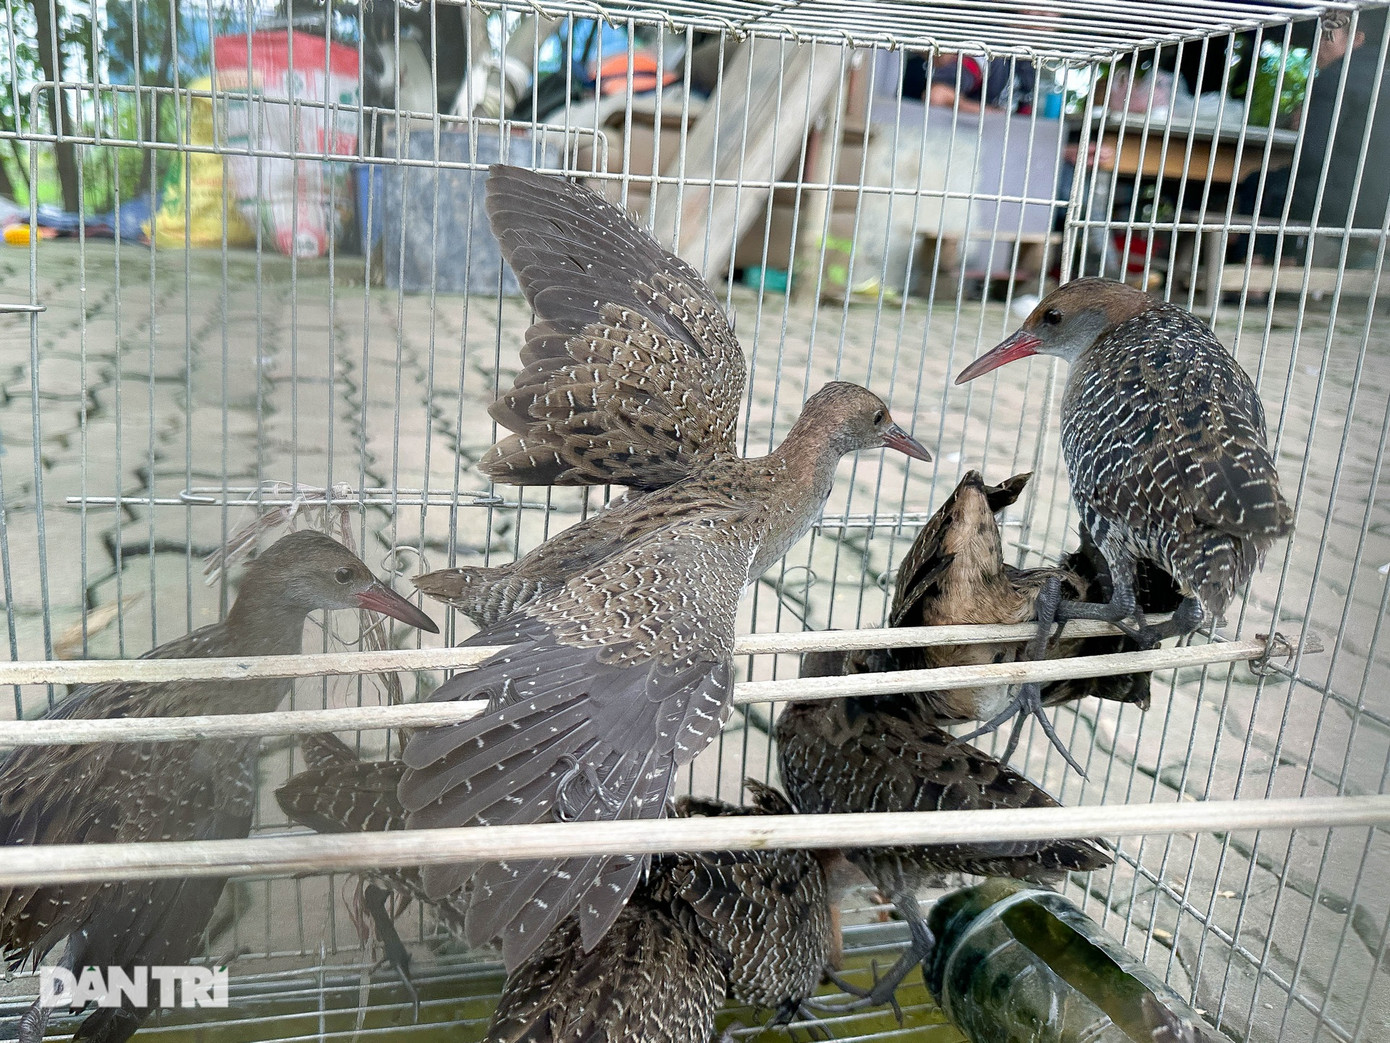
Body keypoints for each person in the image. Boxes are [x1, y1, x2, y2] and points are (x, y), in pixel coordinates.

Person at [1235, 8, 1390, 266]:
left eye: (1327, 37)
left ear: (1357, 39)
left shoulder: (1336, 77)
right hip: (1382, 206)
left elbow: (1313, 155)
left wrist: (1304, 126)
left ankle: (1256, 273)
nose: (1317, 47)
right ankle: (1287, 265)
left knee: (1262, 186)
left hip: (1339, 200)